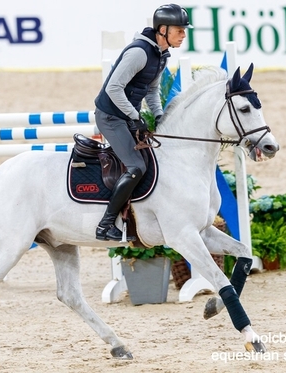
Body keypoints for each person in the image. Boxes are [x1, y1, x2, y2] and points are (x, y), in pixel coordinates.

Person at [94, 4, 193, 241]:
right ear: (163, 29)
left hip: (126, 116)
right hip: (110, 116)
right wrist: (135, 117)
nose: (183, 35)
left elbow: (152, 90)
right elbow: (113, 88)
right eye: (179, 30)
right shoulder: (139, 52)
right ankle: (105, 224)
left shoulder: (161, 55)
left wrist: (159, 115)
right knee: (136, 167)